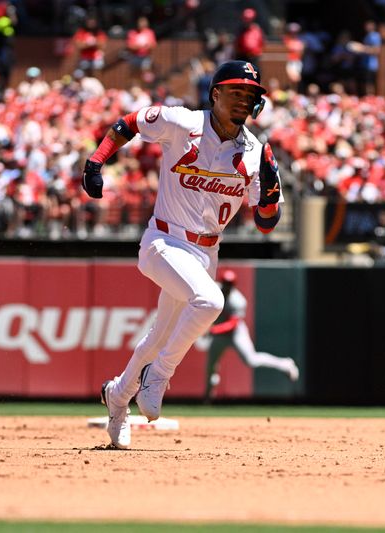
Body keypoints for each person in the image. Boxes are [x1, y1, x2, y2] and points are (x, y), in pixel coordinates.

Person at [84, 60, 283, 448]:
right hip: (163, 241)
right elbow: (130, 122)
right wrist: (96, 161)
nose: (244, 99)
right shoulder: (184, 123)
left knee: (158, 336)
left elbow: (265, 223)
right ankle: (159, 375)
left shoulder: (256, 152)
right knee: (210, 300)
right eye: (236, 91)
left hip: (207, 252)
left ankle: (118, 395)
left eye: (251, 94)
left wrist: (273, 192)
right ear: (215, 93)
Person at [198, 269, 299, 401]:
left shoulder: (238, 301)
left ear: (234, 285)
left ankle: (285, 364)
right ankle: (208, 395)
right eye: (226, 283)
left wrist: (212, 330)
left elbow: (232, 324)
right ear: (222, 282)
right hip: (218, 334)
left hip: (236, 333)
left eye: (230, 284)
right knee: (211, 364)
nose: (227, 286)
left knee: (251, 359)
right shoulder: (214, 290)